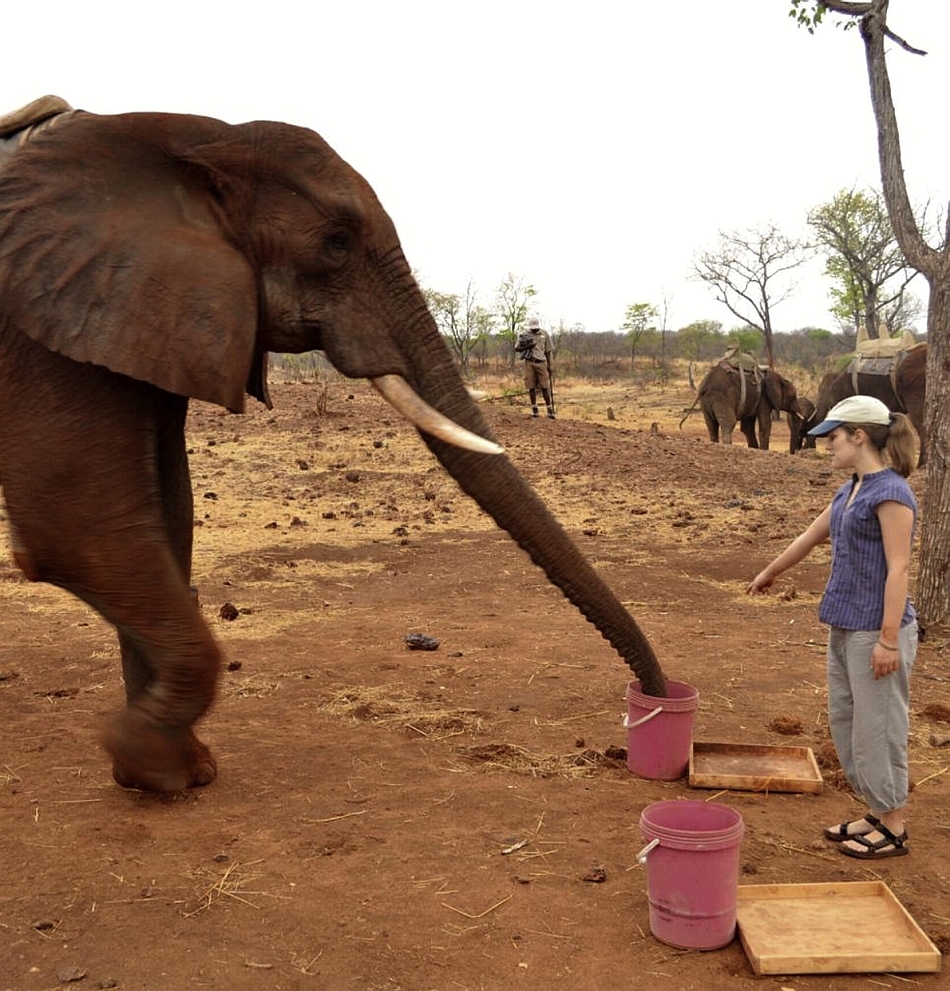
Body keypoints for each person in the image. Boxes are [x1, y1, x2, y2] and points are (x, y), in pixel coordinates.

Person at [747, 395, 919, 860]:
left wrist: (887, 640)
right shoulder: (851, 489)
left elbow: (899, 569)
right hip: (843, 624)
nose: (827, 446)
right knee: (847, 722)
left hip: (876, 631)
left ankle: (895, 826)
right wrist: (771, 571)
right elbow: (810, 535)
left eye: (833, 437)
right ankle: (876, 811)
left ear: (859, 436)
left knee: (878, 727)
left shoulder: (891, 493)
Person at [515, 317, 555, 419]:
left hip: (542, 362)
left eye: (536, 328)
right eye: (532, 328)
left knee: (545, 386)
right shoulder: (523, 334)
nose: (534, 330)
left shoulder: (544, 334)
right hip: (529, 362)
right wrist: (528, 346)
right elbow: (517, 348)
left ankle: (549, 409)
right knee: (531, 386)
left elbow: (548, 351)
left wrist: (550, 365)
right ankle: (534, 408)